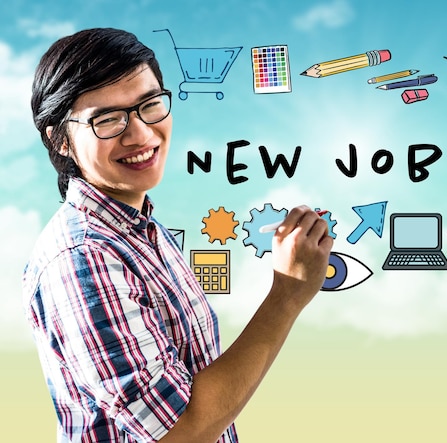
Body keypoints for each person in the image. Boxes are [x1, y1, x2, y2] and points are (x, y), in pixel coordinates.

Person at [23, 27, 333, 443]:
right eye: (108, 119)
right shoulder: (85, 256)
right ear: (60, 140)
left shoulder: (142, 227)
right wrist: (289, 293)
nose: (140, 135)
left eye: (149, 105)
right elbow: (181, 431)